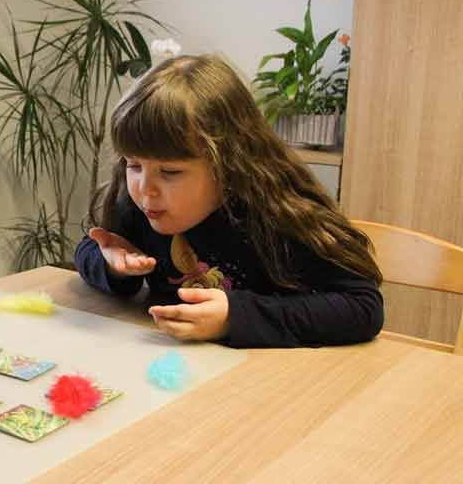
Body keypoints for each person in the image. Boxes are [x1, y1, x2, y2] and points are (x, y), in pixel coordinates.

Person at [75, 53, 383, 348]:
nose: (145, 188)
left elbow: (362, 307)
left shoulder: (276, 216)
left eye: (170, 171)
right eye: (133, 165)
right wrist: (112, 265)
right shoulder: (139, 206)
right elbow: (89, 249)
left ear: (228, 164)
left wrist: (234, 318)